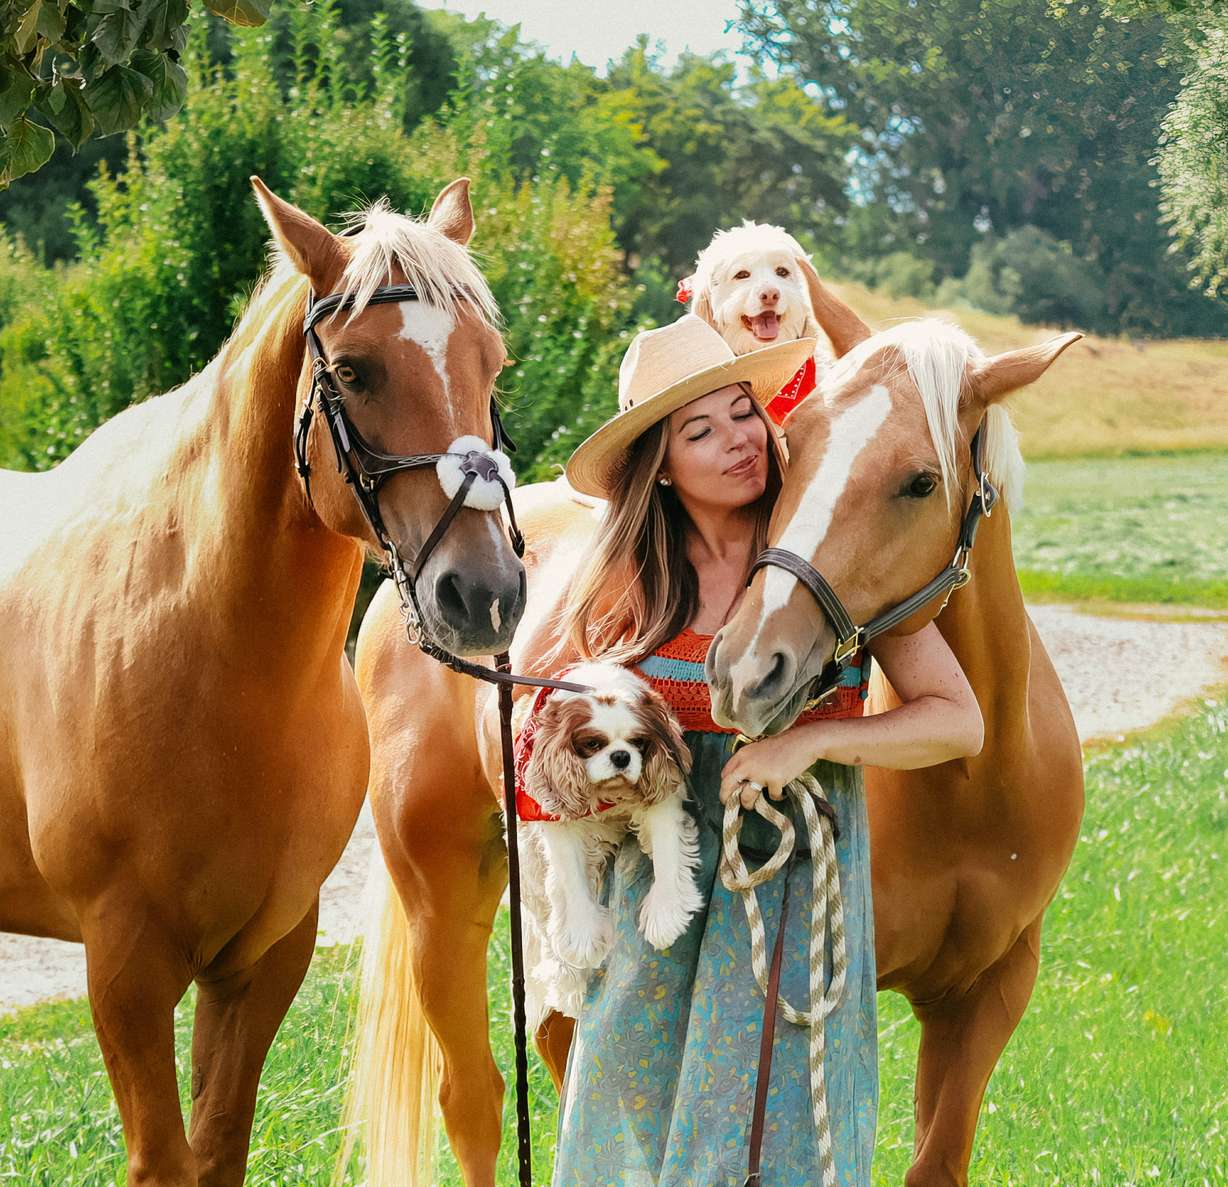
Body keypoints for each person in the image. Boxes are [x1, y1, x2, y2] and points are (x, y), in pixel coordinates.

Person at [527, 314, 984, 1186]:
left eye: (744, 411)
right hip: (658, 887)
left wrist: (812, 740)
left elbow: (957, 720)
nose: (739, 439)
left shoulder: (827, 551)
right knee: (629, 1099)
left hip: (791, 885)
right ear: (661, 465)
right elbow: (543, 725)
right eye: (701, 430)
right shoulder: (628, 576)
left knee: (771, 1118)